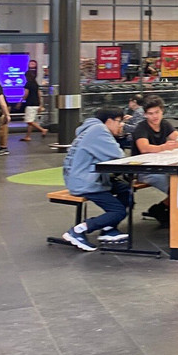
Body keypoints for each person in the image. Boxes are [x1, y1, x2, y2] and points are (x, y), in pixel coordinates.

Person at [60, 107, 132, 251]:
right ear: (109, 121)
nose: (121, 126)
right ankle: (79, 230)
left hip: (82, 177)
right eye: (119, 122)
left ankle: (108, 228)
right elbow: (118, 156)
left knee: (126, 189)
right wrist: (121, 140)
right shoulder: (99, 130)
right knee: (118, 211)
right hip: (84, 182)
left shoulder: (90, 129)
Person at [132, 95, 178, 200]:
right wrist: (164, 147)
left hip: (162, 165)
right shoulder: (141, 127)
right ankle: (168, 207)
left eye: (157, 112)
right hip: (144, 169)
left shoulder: (165, 124)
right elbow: (144, 148)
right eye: (150, 114)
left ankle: (163, 207)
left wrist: (172, 144)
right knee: (174, 189)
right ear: (145, 115)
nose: (155, 116)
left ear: (162, 111)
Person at [20, 69, 48, 141]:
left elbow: (26, 94)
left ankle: (42, 130)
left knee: (29, 121)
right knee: (31, 121)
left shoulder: (28, 84)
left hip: (30, 104)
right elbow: (39, 94)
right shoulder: (36, 84)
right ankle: (28, 136)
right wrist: (41, 104)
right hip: (36, 104)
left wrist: (20, 101)